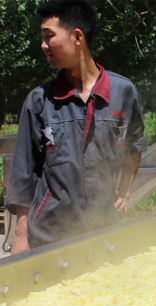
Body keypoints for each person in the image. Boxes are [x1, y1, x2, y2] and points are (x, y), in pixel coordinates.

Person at [6, 0, 147, 254]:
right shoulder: (39, 100)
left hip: (104, 233)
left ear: (77, 36)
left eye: (49, 36)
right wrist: (20, 234)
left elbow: (134, 147)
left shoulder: (123, 92)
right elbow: (23, 173)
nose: (43, 45)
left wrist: (125, 194)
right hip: (50, 237)